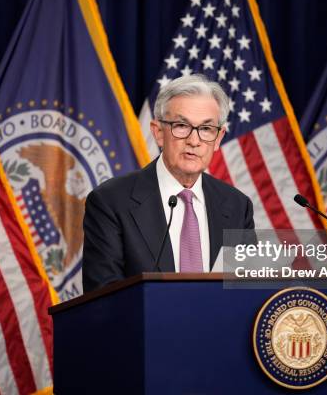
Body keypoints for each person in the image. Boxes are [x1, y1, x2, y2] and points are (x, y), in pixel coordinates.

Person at [82, 74, 254, 292]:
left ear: (218, 138)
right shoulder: (110, 202)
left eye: (206, 129)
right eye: (182, 126)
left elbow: (245, 290)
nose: (194, 140)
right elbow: (103, 295)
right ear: (158, 133)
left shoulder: (237, 205)